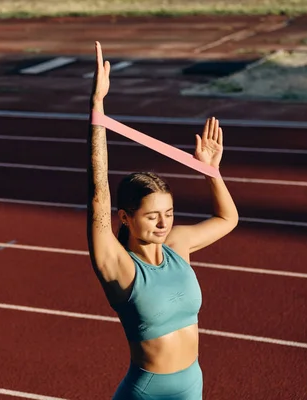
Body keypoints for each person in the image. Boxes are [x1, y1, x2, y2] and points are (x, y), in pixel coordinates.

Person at [86, 41, 239, 399]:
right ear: (124, 217)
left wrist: (211, 172)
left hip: (191, 385)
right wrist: (97, 110)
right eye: (152, 216)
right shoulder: (118, 265)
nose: (163, 224)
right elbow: (98, 195)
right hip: (146, 393)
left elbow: (227, 218)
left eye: (168, 214)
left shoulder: (177, 245)